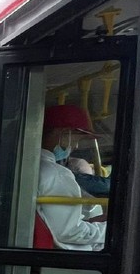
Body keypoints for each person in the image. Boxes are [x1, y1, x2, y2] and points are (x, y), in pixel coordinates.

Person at [37, 105, 106, 250]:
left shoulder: (32, 167)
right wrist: (106, 229)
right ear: (63, 133)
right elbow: (70, 233)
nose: (74, 146)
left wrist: (91, 222)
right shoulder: (57, 174)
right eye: (76, 138)